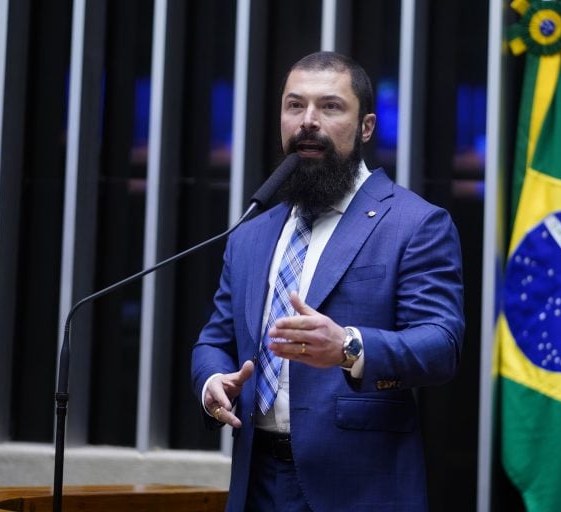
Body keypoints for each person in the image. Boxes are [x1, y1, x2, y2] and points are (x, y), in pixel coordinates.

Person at [191, 51, 464, 512]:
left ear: (367, 127)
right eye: (294, 106)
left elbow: (441, 346)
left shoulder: (415, 223)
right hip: (256, 481)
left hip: (359, 488)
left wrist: (349, 347)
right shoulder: (252, 234)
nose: (308, 121)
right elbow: (214, 339)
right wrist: (213, 380)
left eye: (330, 107)